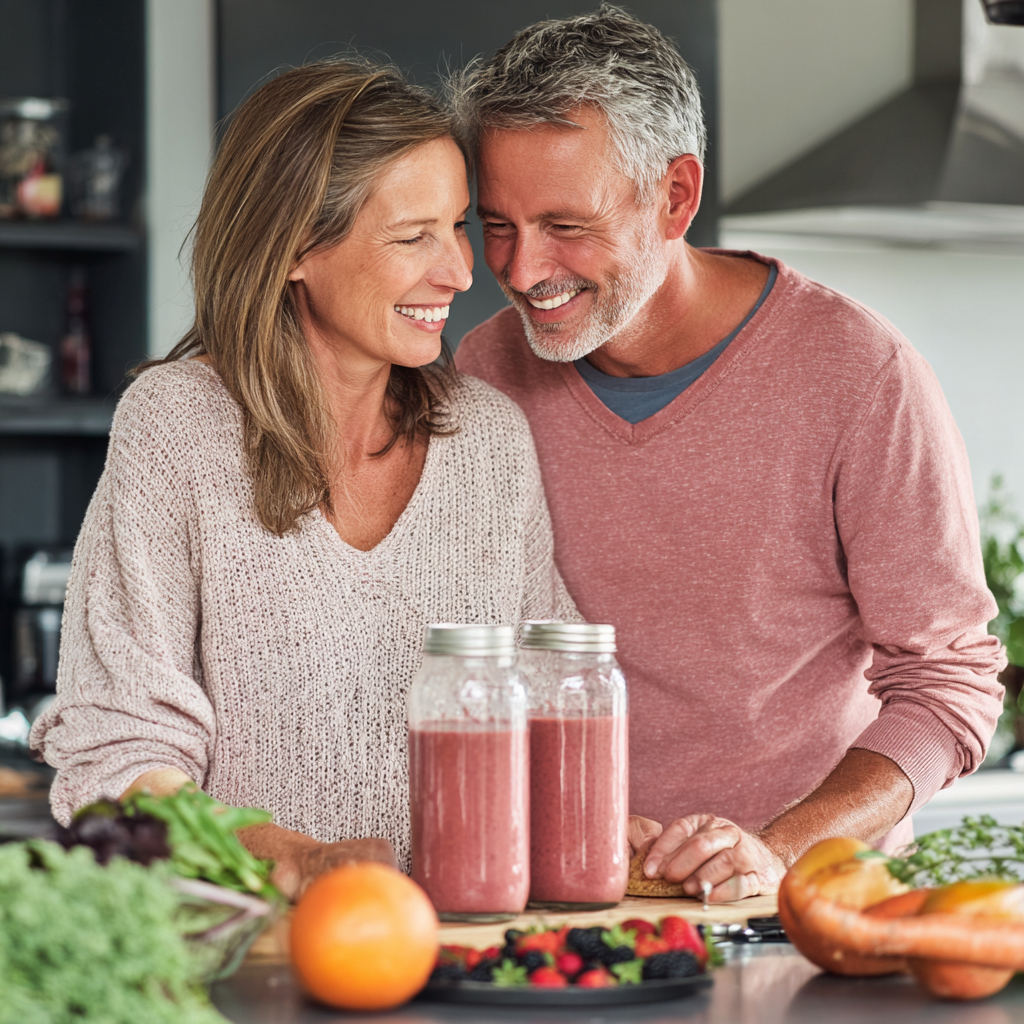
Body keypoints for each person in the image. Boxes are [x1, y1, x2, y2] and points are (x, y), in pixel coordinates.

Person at [452, 5, 1006, 901]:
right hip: (567, 899)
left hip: (811, 910)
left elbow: (951, 685)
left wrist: (777, 847)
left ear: (675, 196)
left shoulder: (861, 375)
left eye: (565, 224)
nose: (518, 271)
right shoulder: (483, 371)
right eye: (499, 226)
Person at [30, 60, 574, 899]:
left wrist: (611, 828)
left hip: (469, 946)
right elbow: (123, 751)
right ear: (292, 250)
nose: (461, 273)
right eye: (411, 236)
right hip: (249, 956)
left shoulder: (489, 442)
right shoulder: (178, 427)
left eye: (460, 225)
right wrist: (300, 863)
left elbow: (548, 701)